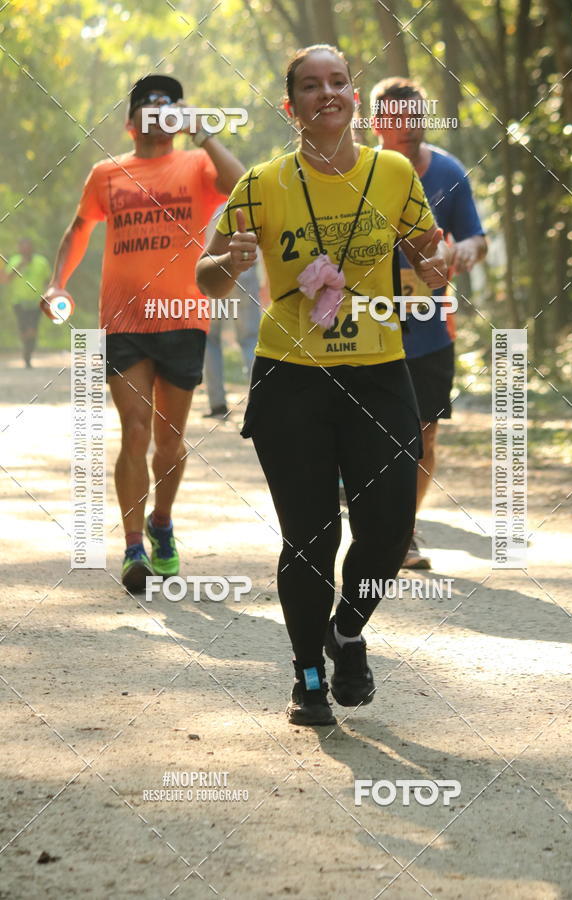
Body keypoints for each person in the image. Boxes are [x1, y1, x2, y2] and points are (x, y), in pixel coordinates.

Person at [196, 45, 450, 726]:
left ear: (354, 97)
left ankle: (347, 628)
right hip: (291, 379)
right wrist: (229, 259)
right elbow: (205, 277)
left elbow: (432, 252)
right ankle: (308, 673)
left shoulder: (392, 172)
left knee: (390, 524)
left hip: (378, 373)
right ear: (292, 106)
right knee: (309, 535)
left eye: (338, 82)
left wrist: (438, 262)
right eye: (311, 86)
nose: (326, 94)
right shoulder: (262, 181)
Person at [41, 74, 244, 592]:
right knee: (133, 427)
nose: (158, 110)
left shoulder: (198, 164)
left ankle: (161, 524)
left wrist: (203, 132)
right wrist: (55, 283)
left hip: (184, 314)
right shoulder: (106, 173)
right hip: (125, 320)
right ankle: (134, 547)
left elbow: (243, 185)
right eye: (148, 105)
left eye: (168, 104)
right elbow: (78, 228)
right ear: (130, 122)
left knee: (169, 441)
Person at [371, 77, 487, 568]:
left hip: (430, 325)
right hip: (369, 325)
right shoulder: (359, 173)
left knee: (424, 433)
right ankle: (374, 523)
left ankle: (405, 533)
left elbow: (477, 239)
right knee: (375, 435)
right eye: (399, 118)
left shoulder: (448, 171)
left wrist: (465, 249)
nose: (410, 127)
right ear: (377, 123)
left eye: (417, 117)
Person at [203, 204, 262, 418]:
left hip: (215, 271)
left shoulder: (214, 209)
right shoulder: (253, 203)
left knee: (211, 340)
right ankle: (258, 402)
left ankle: (217, 404)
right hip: (246, 272)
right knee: (250, 339)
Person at [0, 238, 51, 367]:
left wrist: (49, 296)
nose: (25, 250)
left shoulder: (41, 262)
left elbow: (47, 281)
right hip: (19, 301)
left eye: (27, 247)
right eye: (22, 247)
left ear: (32, 248)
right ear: (19, 248)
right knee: (24, 329)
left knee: (33, 328)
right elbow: (6, 280)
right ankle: (26, 348)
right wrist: (19, 266)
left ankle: (28, 353)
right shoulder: (14, 261)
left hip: (37, 301)